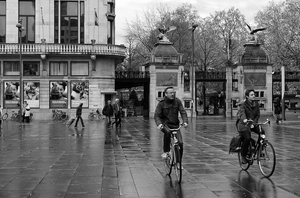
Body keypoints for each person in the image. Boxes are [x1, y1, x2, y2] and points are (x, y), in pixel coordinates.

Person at [154, 86, 188, 162]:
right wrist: (159, 124)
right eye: (170, 93)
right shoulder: (161, 103)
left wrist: (185, 121)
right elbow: (157, 115)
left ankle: (179, 162)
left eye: (173, 93)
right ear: (166, 94)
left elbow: (183, 112)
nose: (172, 94)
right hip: (165, 124)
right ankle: (166, 152)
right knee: (168, 132)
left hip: (175, 125)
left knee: (180, 143)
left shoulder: (177, 101)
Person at [237, 89, 264, 164]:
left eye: (254, 94)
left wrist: (254, 123)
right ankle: (243, 155)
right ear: (247, 96)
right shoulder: (243, 104)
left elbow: (257, 115)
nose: (254, 96)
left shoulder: (256, 103)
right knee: (247, 138)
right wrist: (245, 119)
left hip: (252, 123)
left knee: (262, 132)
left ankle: (260, 150)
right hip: (244, 124)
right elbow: (242, 113)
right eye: (251, 95)